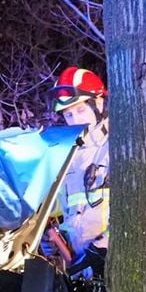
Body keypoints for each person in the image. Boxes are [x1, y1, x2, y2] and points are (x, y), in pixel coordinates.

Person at [47, 67, 109, 276]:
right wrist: (53, 240)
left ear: (98, 103)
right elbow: (66, 211)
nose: (75, 120)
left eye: (81, 110)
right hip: (81, 268)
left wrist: (105, 245)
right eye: (68, 115)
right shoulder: (68, 157)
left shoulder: (118, 146)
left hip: (115, 264)